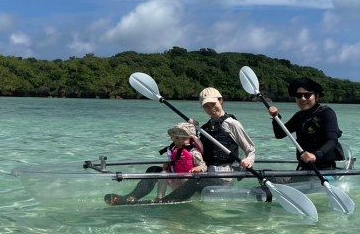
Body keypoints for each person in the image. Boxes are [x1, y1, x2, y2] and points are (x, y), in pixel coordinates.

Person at [104, 87, 257, 204]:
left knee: (196, 180)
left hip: (223, 177)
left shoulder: (232, 123)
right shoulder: (204, 127)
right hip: (204, 172)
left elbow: (251, 149)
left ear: (221, 101)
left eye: (213, 104)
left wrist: (249, 161)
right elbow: (194, 149)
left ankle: (163, 203)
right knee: (154, 170)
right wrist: (192, 131)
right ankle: (130, 198)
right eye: (206, 106)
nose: (210, 109)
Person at [267, 77, 343, 170]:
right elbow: (279, 134)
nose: (302, 99)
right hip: (304, 169)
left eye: (307, 95)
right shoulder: (299, 116)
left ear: (317, 96)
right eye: (299, 95)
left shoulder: (326, 113)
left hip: (325, 169)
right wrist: (275, 118)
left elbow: (332, 140)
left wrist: (315, 155)